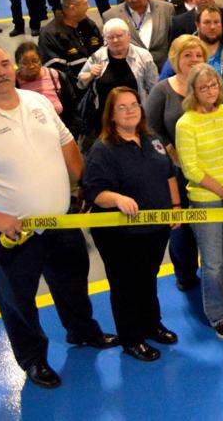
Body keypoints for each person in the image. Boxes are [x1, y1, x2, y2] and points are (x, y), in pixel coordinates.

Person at [0, 45, 117, 389]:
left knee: (73, 281)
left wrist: (83, 184)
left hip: (60, 220)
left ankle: (82, 331)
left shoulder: (37, 102)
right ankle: (33, 359)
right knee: (18, 299)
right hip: (11, 232)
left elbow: (66, 141)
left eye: (5, 64)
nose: (1, 72)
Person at [83, 86, 179, 362]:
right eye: (121, 107)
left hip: (154, 230)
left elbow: (169, 174)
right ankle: (131, 338)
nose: (129, 111)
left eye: (134, 105)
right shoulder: (103, 149)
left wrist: (174, 207)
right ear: (111, 115)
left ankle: (152, 324)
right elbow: (94, 192)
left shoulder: (153, 139)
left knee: (148, 278)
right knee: (125, 284)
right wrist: (117, 199)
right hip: (120, 234)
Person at [175, 64, 223, 338]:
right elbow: (191, 169)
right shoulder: (185, 123)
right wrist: (222, 191)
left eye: (213, 85)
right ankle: (218, 315)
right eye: (203, 87)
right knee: (213, 262)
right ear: (193, 91)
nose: (210, 91)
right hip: (206, 200)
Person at [144, 35, 206, 292]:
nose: (193, 60)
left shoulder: (211, 85)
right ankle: (185, 273)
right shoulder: (162, 90)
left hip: (209, 169)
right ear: (175, 59)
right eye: (187, 55)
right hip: (176, 171)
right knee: (182, 228)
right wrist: (170, 150)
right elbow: (149, 127)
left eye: (198, 55)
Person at [77, 18, 159, 125]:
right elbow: (80, 83)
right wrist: (90, 75)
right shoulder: (98, 56)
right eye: (110, 37)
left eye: (119, 36)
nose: (115, 40)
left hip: (135, 116)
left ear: (128, 35)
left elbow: (153, 88)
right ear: (105, 39)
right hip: (105, 118)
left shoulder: (143, 56)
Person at [105, 0, 175, 71]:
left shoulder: (166, 10)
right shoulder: (111, 16)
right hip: (129, 72)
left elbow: (173, 41)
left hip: (163, 71)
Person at [38, 0, 103, 89]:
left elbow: (102, 52)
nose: (89, 6)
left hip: (97, 82)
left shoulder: (89, 25)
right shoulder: (50, 35)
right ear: (73, 8)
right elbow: (58, 73)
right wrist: (84, 79)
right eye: (85, 4)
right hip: (73, 90)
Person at [14, 41, 77, 132]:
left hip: (61, 130)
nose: (31, 66)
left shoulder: (55, 76)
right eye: (25, 63)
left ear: (41, 60)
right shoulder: (13, 83)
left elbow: (72, 107)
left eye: (35, 61)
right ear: (17, 65)